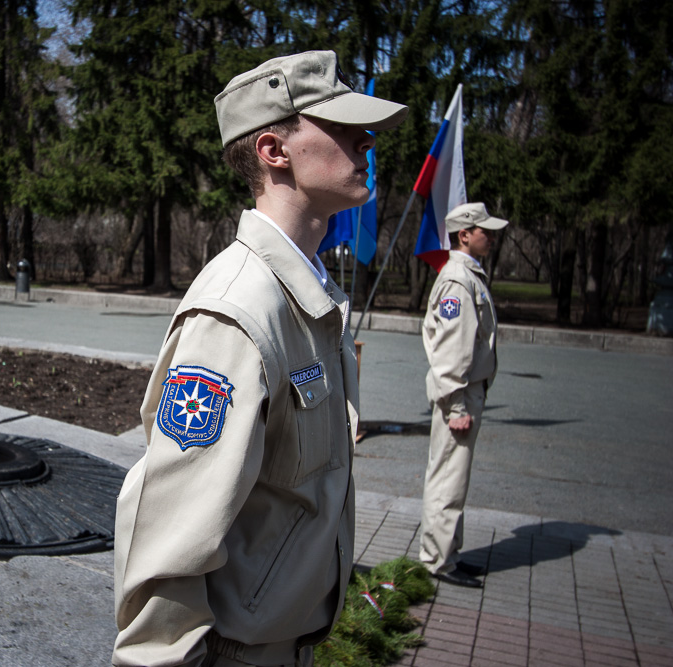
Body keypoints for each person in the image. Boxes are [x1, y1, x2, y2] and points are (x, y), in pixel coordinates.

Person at [112, 51, 407, 667]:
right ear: (274, 150)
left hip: (283, 642)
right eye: (343, 127)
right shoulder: (239, 311)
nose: (366, 141)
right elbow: (168, 538)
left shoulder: (306, 291)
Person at [418, 202, 510, 588]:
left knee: (454, 477)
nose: (491, 236)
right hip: (459, 394)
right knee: (448, 479)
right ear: (464, 235)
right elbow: (452, 349)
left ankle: (448, 553)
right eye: (484, 230)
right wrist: (456, 404)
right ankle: (437, 561)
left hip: (466, 391)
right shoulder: (459, 279)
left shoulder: (466, 274)